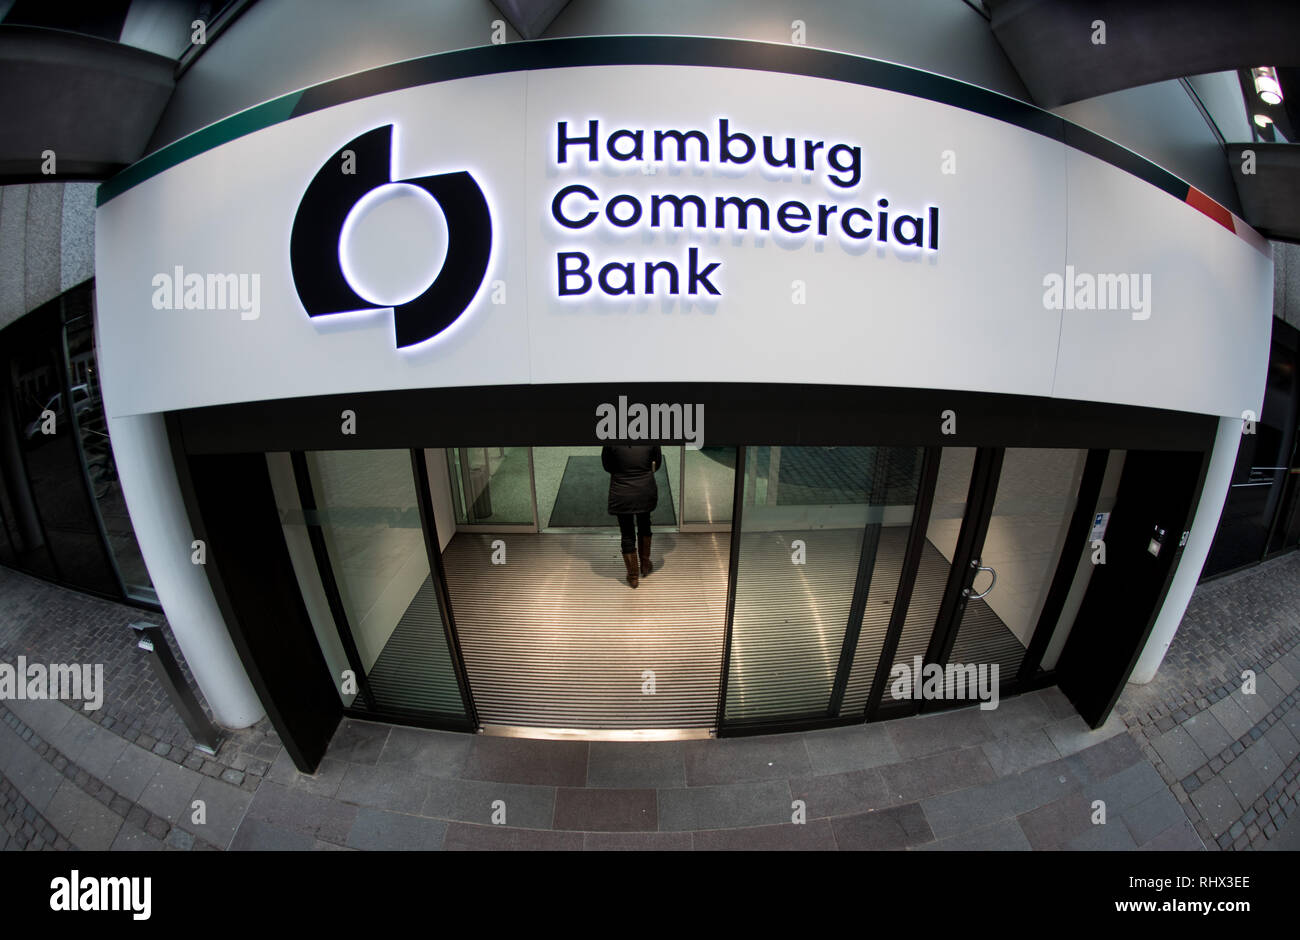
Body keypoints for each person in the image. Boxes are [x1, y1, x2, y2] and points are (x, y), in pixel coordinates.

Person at [601, 444, 661, 588]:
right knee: (645, 525)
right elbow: (657, 463)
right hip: (645, 490)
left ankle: (633, 576)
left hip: (621, 492)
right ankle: (645, 565)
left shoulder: (612, 437)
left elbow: (607, 465)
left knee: (627, 532)